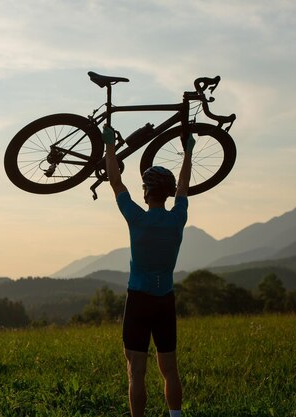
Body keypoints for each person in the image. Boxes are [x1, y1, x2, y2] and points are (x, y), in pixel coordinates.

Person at [102, 125, 195, 417]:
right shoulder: (178, 217)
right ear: (166, 194)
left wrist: (109, 147)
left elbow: (115, 182)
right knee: (169, 369)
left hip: (139, 299)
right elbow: (184, 185)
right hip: (165, 299)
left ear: (146, 193)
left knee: (136, 371)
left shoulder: (136, 219)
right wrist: (188, 151)